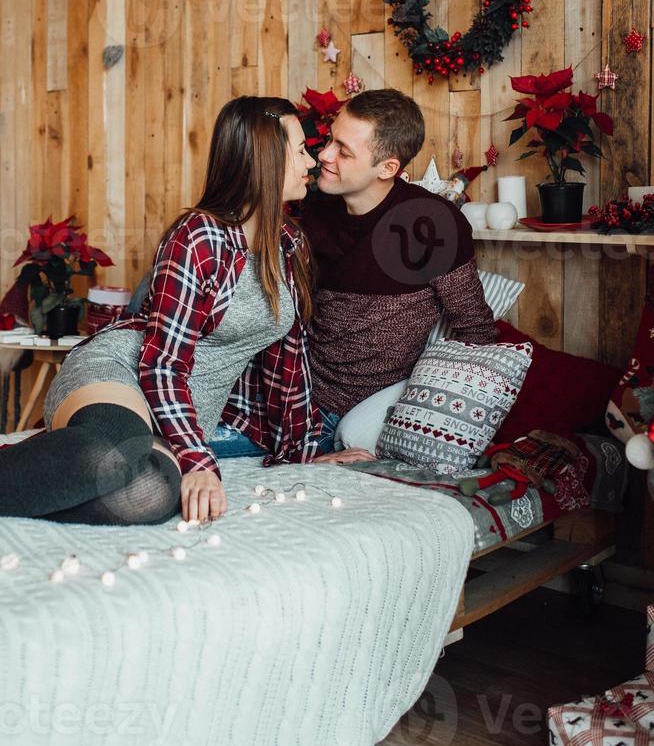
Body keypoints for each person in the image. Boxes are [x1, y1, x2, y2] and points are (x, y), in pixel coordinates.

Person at [0, 97, 373, 527]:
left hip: (177, 415)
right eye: (300, 150)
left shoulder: (290, 245)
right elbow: (161, 364)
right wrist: (199, 460)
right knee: (113, 455)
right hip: (121, 374)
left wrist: (308, 451)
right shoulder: (197, 236)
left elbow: (288, 364)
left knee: (152, 492)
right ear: (267, 158)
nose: (310, 161)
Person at [301, 88, 497, 445]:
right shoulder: (312, 211)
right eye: (330, 140)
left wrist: (421, 431)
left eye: (343, 151)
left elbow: (475, 332)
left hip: (377, 414)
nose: (324, 155)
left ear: (388, 167)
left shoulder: (430, 223)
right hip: (301, 401)